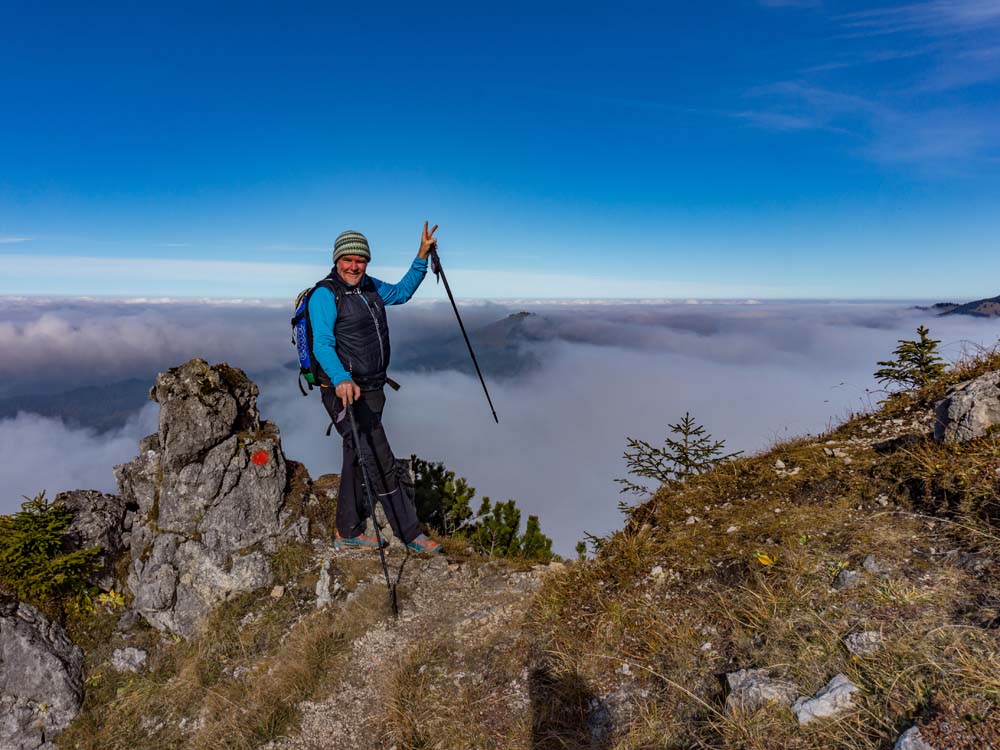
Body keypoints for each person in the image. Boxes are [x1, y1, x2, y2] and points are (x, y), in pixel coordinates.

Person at [307, 223, 442, 553]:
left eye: (361, 260)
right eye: (348, 260)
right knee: (380, 460)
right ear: (337, 260)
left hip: (373, 390)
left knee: (357, 455)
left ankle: (347, 529)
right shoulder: (325, 295)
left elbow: (401, 292)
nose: (354, 266)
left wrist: (421, 255)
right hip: (344, 393)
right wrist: (341, 379)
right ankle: (410, 533)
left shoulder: (370, 287)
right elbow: (323, 345)